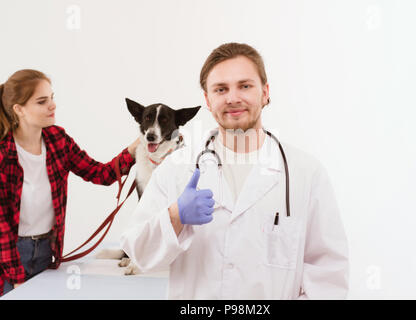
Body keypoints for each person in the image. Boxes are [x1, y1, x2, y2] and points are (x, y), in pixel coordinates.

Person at [120, 43, 349, 299]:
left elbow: (328, 277)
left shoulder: (306, 173)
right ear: (207, 99)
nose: (232, 98)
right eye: (221, 89)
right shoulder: (176, 168)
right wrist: (175, 216)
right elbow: (138, 251)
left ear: (265, 92)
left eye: (245, 86)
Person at [0, 69, 139, 296]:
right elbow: (2, 227)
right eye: (42, 101)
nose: (52, 106)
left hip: (47, 252)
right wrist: (16, 279)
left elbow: (101, 174)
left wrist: (134, 150)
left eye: (52, 98)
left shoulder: (58, 140)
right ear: (19, 109)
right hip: (9, 257)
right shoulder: (4, 154)